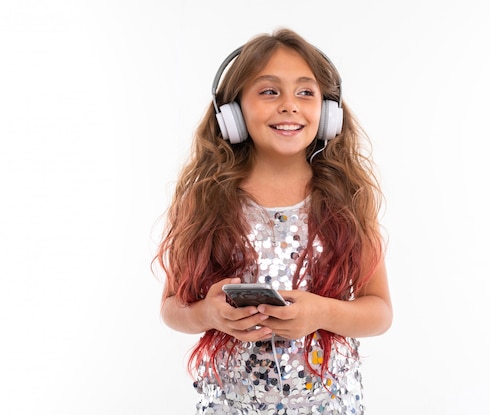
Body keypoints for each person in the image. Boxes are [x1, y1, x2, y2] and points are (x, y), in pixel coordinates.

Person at [155, 27, 392, 414]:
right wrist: (207, 313)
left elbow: (380, 313)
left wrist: (320, 312)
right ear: (232, 112)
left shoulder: (345, 200)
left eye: (305, 92)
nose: (289, 105)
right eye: (269, 91)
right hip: (231, 406)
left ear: (329, 112)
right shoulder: (206, 200)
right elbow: (170, 307)